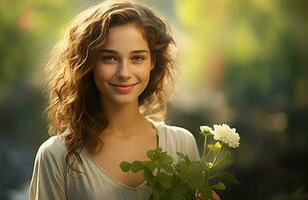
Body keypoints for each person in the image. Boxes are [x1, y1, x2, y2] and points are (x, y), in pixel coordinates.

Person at [29, 0, 220, 199]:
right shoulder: (56, 155)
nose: (124, 73)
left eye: (137, 58)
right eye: (109, 58)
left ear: (152, 62)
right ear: (89, 63)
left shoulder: (181, 144)